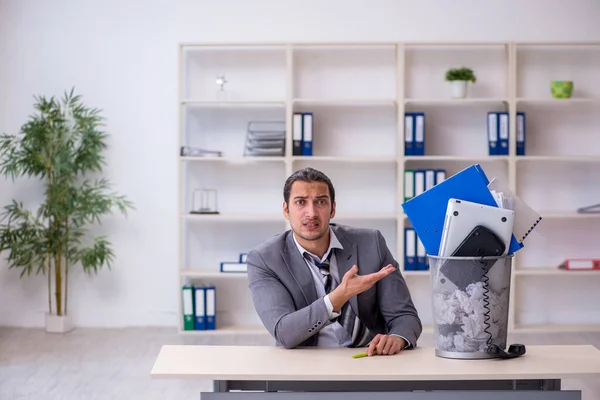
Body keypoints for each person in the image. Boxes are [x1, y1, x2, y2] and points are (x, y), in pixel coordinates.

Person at [246, 167, 422, 356]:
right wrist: (337, 297)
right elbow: (284, 332)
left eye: (321, 202)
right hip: (305, 365)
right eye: (301, 202)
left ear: (333, 209)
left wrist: (397, 338)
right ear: (286, 210)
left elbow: (405, 316)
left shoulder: (371, 243)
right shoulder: (264, 259)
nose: (311, 213)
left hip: (370, 359)